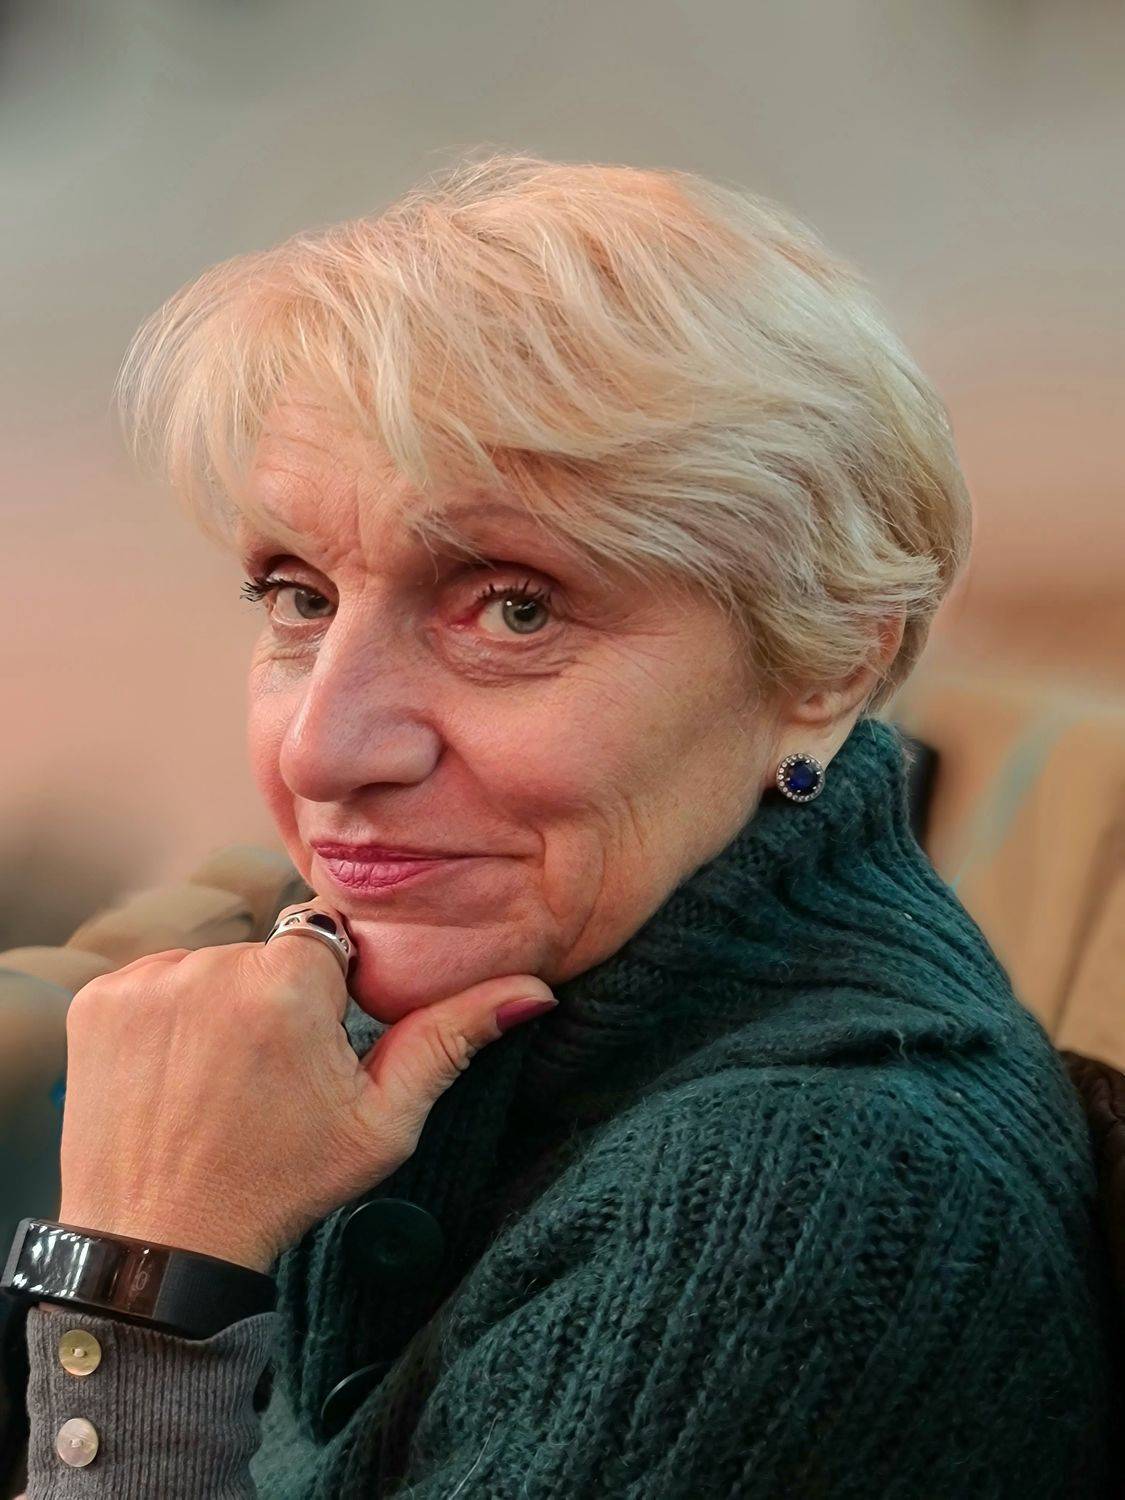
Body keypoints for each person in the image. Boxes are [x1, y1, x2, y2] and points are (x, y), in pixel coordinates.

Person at [13, 152, 1113, 1497]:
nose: (320, 747)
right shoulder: (461, 1024)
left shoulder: (793, 1205)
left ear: (829, 659)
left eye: (514, 607)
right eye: (299, 596)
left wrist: (144, 1285)